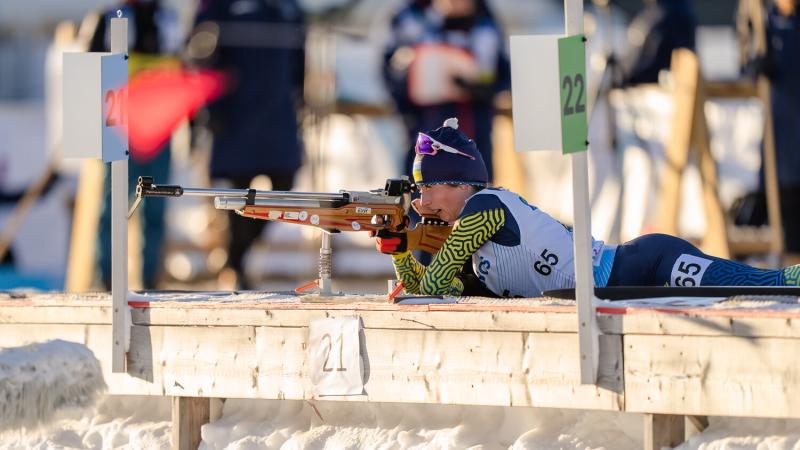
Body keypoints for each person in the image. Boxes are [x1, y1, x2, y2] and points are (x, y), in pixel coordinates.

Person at [374, 118, 800, 297]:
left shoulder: (484, 208)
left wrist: (405, 244)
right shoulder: (471, 246)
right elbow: (424, 291)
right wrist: (398, 251)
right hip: (616, 289)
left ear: (461, 184)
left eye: (428, 188)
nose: (422, 201)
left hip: (642, 266)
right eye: (417, 190)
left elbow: (432, 285)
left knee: (770, 286)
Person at [190, 0, 306, 290]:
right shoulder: (220, 6)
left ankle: (237, 254)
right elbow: (201, 53)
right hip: (236, 116)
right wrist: (211, 109)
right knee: (236, 195)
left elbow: (299, 57)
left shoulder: (287, 7)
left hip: (277, 115)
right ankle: (235, 265)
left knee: (284, 184)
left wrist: (300, 97)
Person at [91, 0, 179, 290]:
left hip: (157, 127)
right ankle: (107, 280)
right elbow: (90, 71)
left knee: (154, 204)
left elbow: (181, 69)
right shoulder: (107, 18)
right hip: (118, 125)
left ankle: (150, 280)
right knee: (112, 205)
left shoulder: (168, 19)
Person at [383, 0, 509, 185]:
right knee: (424, 187)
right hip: (426, 126)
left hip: (474, 125)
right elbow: (391, 71)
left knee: (474, 190)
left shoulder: (486, 26)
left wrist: (482, 91)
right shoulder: (413, 21)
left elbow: (503, 74)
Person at [620, 0, 696, 86]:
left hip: (655, 89)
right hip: (661, 85)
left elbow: (656, 63)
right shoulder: (662, 11)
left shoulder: (664, 15)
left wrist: (623, 77)